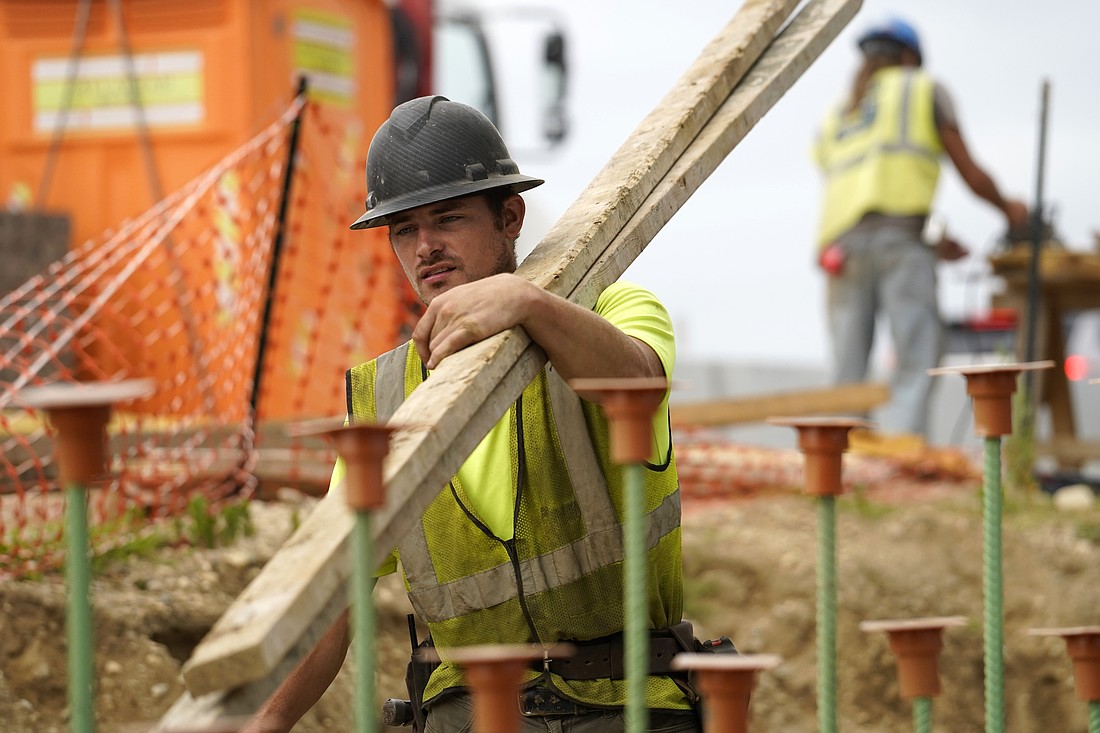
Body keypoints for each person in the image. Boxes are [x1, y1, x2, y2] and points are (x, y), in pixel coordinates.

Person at [244, 96, 699, 732]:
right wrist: (263, 722)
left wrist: (526, 304)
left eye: (448, 219)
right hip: (469, 714)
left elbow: (636, 386)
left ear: (510, 216)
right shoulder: (382, 400)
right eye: (404, 229)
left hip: (626, 703)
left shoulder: (614, 309)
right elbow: (335, 589)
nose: (425, 246)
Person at [812, 17, 1029, 437]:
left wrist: (932, 237)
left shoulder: (839, 112)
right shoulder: (921, 88)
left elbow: (863, 186)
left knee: (847, 361)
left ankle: (838, 460)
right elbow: (967, 169)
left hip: (841, 249)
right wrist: (1008, 208)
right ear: (909, 57)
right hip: (901, 242)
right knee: (916, 350)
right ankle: (904, 457)